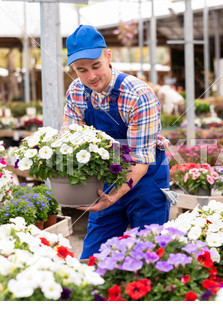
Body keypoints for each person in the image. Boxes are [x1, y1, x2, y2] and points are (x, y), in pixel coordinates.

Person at [62, 25, 170, 259]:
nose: (91, 76)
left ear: (108, 56)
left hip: (147, 179)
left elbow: (140, 158)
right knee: (92, 259)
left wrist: (113, 196)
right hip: (106, 181)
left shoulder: (138, 94)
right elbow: (69, 140)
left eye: (96, 66)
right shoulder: (76, 92)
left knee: (149, 257)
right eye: (81, 70)